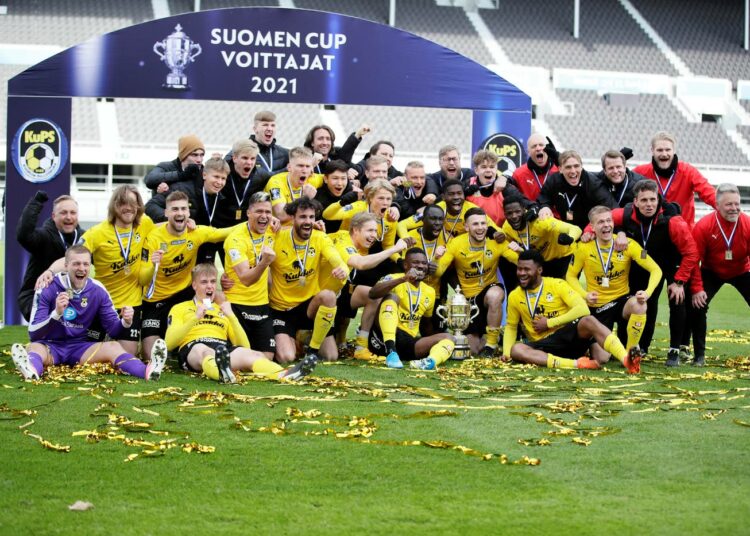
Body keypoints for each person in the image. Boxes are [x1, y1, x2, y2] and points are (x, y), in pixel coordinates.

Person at [11, 245, 167, 382]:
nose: (82, 268)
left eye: (86, 264)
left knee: (114, 346)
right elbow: (33, 333)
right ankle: (30, 370)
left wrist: (125, 322)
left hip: (79, 348)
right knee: (34, 347)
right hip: (50, 346)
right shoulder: (47, 287)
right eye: (76, 264)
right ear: (66, 266)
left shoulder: (97, 290)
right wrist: (56, 314)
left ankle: (148, 371)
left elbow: (113, 329)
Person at [589, 180, 699, 361]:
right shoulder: (624, 213)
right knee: (640, 300)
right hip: (642, 262)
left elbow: (691, 252)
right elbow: (598, 222)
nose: (649, 205)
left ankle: (674, 350)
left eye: (653, 200)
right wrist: (588, 234)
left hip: (671, 263)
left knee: (677, 299)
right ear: (636, 201)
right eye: (644, 200)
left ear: (658, 200)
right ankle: (638, 347)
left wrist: (679, 280)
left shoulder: (673, 221)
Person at [165, 263, 316, 384]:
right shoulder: (180, 308)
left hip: (221, 349)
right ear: (194, 285)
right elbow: (169, 343)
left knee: (254, 355)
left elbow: (243, 345)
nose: (210, 286)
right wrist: (194, 318)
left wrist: (231, 316)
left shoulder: (222, 309)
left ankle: (283, 374)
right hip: (194, 347)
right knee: (205, 351)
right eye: (204, 282)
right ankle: (221, 373)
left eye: (212, 281)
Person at [503, 248, 640, 372]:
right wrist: (506, 353)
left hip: (567, 336)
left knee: (589, 321)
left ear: (539, 270)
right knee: (516, 349)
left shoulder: (557, 285)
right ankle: (577, 364)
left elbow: (583, 309)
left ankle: (626, 359)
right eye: (519, 269)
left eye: (526, 269)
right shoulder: (514, 295)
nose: (521, 273)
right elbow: (511, 326)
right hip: (544, 345)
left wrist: (550, 323)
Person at [139, 191, 235, 358]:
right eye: (175, 209)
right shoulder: (153, 238)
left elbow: (224, 232)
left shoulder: (195, 232)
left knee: (219, 296)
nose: (180, 213)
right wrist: (153, 265)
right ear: (166, 213)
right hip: (156, 299)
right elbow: (142, 278)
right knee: (150, 355)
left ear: (189, 213)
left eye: (183, 209)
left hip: (184, 294)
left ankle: (217, 338)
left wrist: (256, 222)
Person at [566, 206, 662, 360]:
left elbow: (656, 270)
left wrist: (647, 292)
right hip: (598, 306)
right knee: (601, 359)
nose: (606, 225)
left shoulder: (628, 244)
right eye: (601, 222)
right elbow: (570, 276)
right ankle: (602, 343)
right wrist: (584, 295)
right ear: (592, 227)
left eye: (609, 220)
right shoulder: (582, 248)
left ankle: (632, 351)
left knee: (639, 304)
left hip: (621, 301)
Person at [319, 212, 412, 360]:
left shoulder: (349, 240)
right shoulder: (343, 240)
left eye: (375, 231)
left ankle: (361, 347)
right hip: (317, 299)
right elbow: (360, 263)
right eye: (370, 230)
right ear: (355, 230)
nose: (374, 235)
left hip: (336, 294)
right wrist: (395, 249)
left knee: (373, 295)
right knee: (331, 355)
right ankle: (304, 336)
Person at [78, 185, 156, 355]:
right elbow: (73, 255)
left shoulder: (145, 223)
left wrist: (188, 222)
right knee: (85, 354)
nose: (128, 208)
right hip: (102, 303)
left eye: (133, 203)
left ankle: (111, 342)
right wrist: (49, 271)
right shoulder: (97, 232)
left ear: (139, 206)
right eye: (123, 203)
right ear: (114, 205)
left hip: (130, 306)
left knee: (128, 356)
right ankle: (109, 342)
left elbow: (165, 229)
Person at [270, 197, 348, 364]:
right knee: (286, 357)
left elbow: (337, 259)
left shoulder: (319, 237)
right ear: (292, 218)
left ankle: (312, 349)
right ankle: (298, 337)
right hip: (281, 309)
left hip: (308, 306)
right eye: (303, 217)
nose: (308, 222)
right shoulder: (278, 237)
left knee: (331, 356)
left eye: (311, 217)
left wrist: (342, 269)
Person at [435, 208, 519, 357]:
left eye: (483, 223)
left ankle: (492, 343)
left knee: (494, 295)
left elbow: (522, 262)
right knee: (472, 350)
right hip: (469, 303)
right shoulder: (456, 244)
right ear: (466, 227)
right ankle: (491, 338)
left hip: (489, 292)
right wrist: (436, 258)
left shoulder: (496, 242)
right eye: (475, 224)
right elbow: (439, 272)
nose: (480, 228)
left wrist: (519, 250)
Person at [689, 183, 750, 367]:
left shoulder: (747, 224)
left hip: (741, 270)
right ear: (717, 205)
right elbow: (693, 260)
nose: (734, 208)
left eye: (737, 204)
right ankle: (699, 356)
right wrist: (697, 289)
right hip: (711, 271)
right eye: (729, 205)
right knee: (697, 305)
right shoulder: (704, 226)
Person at [368, 248, 456, 370]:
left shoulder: (429, 292)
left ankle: (429, 362)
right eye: (415, 262)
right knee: (392, 297)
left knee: (449, 338)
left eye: (424, 263)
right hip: (382, 338)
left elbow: (426, 327)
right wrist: (403, 279)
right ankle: (391, 352)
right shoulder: (393, 278)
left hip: (408, 343)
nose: (421, 266)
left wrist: (438, 339)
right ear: (405, 265)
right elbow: (373, 293)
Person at [223, 192, 278, 360]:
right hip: (237, 304)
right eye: (259, 212)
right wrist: (264, 263)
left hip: (261, 305)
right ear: (248, 213)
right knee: (238, 351)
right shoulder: (236, 239)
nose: (264, 216)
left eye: (268, 212)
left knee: (269, 355)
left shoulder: (272, 230)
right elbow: (246, 279)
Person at [145, 156, 229, 264]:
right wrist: (177, 219)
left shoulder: (221, 198)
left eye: (223, 178)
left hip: (205, 252)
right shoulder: (183, 189)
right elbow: (151, 206)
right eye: (216, 177)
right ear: (204, 175)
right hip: (180, 248)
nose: (220, 182)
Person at [16, 192, 84, 322]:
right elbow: (23, 235)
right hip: (37, 296)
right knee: (49, 330)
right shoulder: (44, 236)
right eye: (63, 213)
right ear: (53, 216)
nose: (69, 217)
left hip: (72, 296)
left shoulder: (84, 239)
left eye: (73, 213)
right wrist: (36, 202)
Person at [633, 131, 716, 228]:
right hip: (651, 234)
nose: (664, 154)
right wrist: (621, 162)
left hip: (683, 233)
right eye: (659, 150)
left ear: (674, 150)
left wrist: (726, 207)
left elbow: (709, 193)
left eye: (668, 150)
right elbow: (622, 184)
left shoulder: (688, 171)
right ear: (652, 150)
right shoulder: (641, 171)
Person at [502, 195, 580, 282]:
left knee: (565, 287)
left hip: (564, 257)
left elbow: (576, 229)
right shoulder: (507, 227)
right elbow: (504, 246)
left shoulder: (540, 220)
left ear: (524, 210)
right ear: (504, 214)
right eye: (509, 213)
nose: (514, 216)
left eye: (518, 211)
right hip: (543, 262)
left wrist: (570, 238)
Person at [322, 178, 400, 262]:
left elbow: (388, 246)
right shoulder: (357, 208)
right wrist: (341, 203)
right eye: (381, 198)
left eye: (388, 199)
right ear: (370, 198)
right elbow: (327, 215)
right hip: (339, 250)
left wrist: (400, 260)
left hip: (362, 258)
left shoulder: (391, 217)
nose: (385, 203)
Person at [537, 150, 616, 231]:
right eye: (568, 167)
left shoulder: (593, 184)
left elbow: (613, 209)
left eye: (576, 166)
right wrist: (545, 206)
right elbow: (544, 197)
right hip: (566, 229)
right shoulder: (554, 180)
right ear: (560, 169)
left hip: (589, 231)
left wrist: (591, 230)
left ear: (581, 167)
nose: (573, 171)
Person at [265, 146, 323, 224]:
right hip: (278, 229)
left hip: (299, 227)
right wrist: (305, 198)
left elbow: (332, 178)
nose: (304, 171)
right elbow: (281, 215)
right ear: (289, 167)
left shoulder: (311, 179)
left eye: (308, 166)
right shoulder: (275, 182)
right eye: (300, 166)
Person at [314, 159, 359, 233]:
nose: (340, 183)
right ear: (325, 179)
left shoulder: (354, 194)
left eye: (343, 178)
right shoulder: (317, 197)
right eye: (335, 178)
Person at [510, 133, 558, 202]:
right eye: (534, 146)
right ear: (528, 152)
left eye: (541, 145)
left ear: (548, 148)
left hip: (554, 212)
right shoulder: (518, 174)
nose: (538, 148)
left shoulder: (559, 170)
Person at [303, 124, 368, 173]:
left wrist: (358, 135)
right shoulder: (304, 160)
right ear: (312, 142)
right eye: (320, 139)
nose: (325, 143)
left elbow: (347, 151)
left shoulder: (336, 158)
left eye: (328, 139)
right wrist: (311, 166)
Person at [244, 110, 289, 174]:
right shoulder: (241, 152)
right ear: (255, 129)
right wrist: (285, 170)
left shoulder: (285, 154)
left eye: (273, 125)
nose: (269, 129)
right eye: (265, 125)